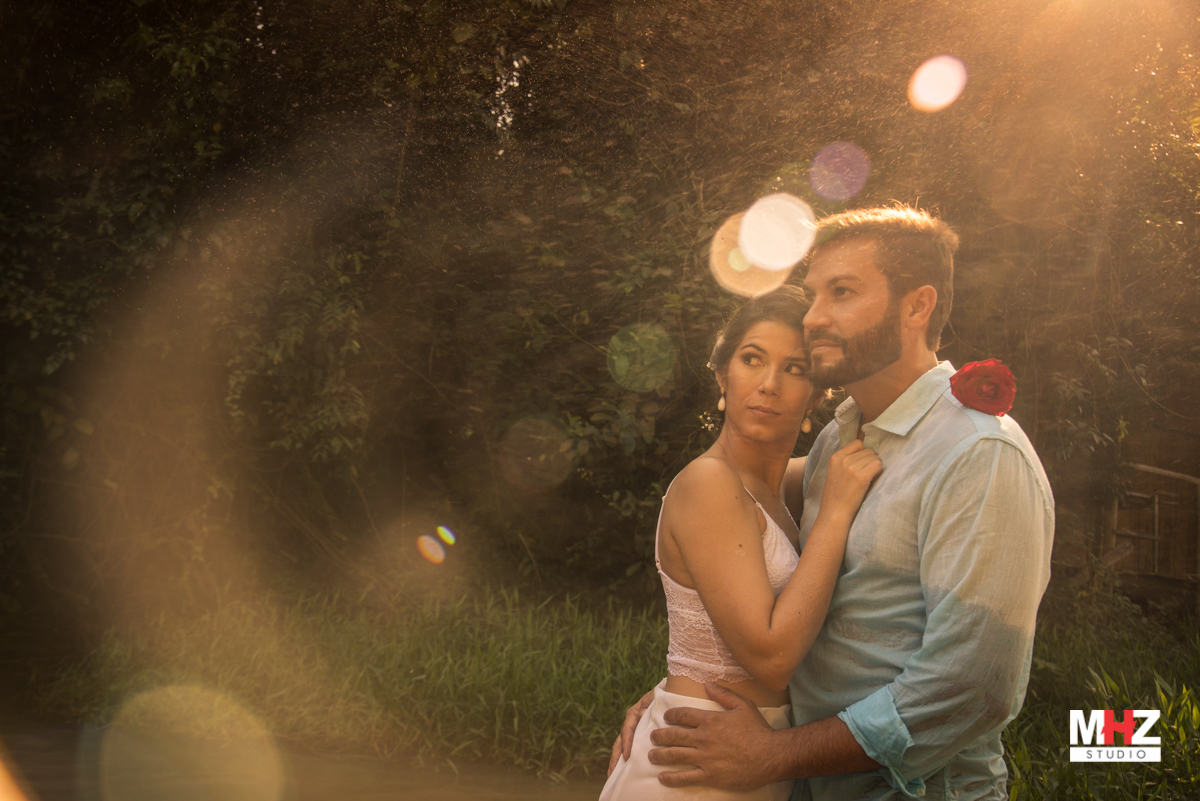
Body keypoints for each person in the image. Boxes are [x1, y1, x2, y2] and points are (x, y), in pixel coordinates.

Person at [614, 207, 1055, 800]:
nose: (815, 316)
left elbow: (974, 686)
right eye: (815, 293)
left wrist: (774, 754)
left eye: (841, 293)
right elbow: (748, 536)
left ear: (916, 306)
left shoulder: (978, 455)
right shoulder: (836, 442)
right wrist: (682, 685)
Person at [600, 286, 883, 801]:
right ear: (722, 375)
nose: (769, 385)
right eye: (752, 359)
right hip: (692, 765)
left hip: (757, 760)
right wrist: (836, 515)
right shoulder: (709, 483)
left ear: (817, 394)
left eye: (795, 369)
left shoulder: (790, 484)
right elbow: (770, 659)